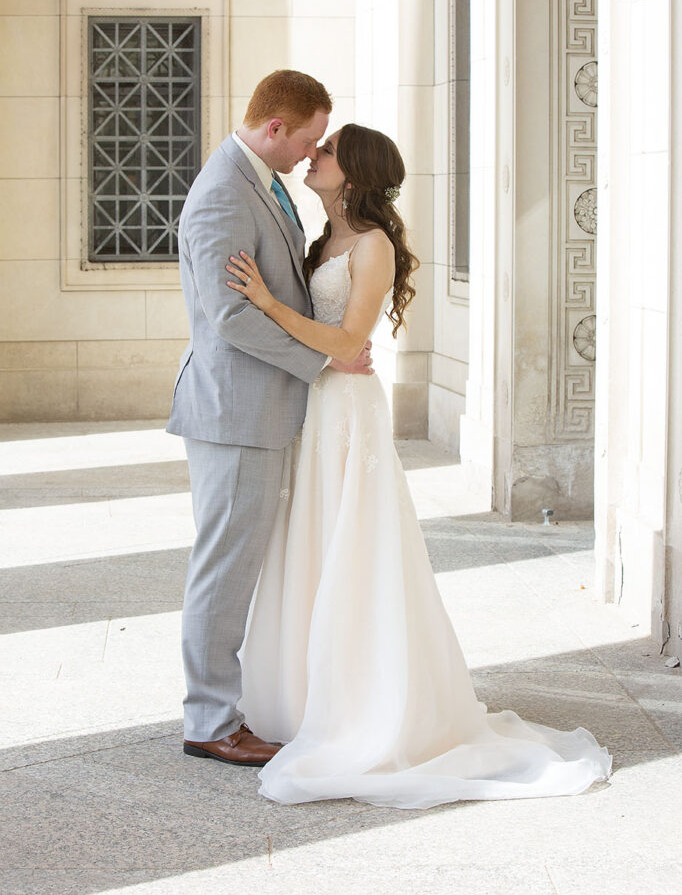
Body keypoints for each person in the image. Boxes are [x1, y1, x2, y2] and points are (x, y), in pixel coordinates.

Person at [225, 123, 613, 809]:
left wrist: (266, 303)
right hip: (318, 406)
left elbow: (349, 341)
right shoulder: (327, 239)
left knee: (356, 548)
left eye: (328, 151)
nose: (313, 157)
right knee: (314, 543)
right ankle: (307, 691)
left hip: (348, 411)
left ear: (355, 174)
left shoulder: (371, 246)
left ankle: (367, 701)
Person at [167, 71, 372, 768]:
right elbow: (228, 319)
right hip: (235, 412)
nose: (309, 155)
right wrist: (324, 363)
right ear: (276, 128)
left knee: (242, 563)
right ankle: (211, 721)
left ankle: (230, 705)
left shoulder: (261, 178)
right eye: (309, 140)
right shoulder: (224, 192)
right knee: (224, 568)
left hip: (259, 409)